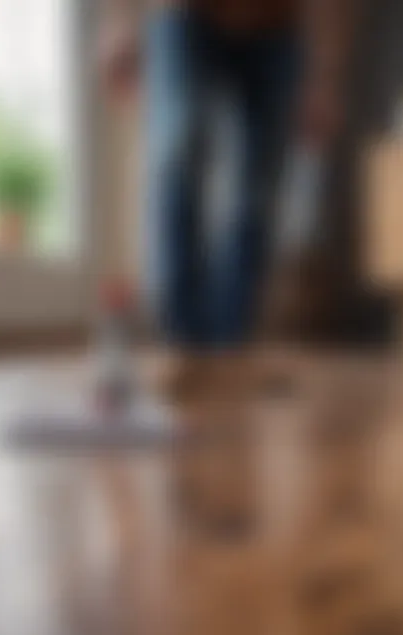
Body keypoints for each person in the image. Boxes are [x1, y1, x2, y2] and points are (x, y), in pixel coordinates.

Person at [98, 0, 353, 390]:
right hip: (183, 14)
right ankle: (181, 344)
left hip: (279, 25)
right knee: (177, 145)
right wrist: (119, 20)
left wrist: (325, 73)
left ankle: (230, 350)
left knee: (259, 188)